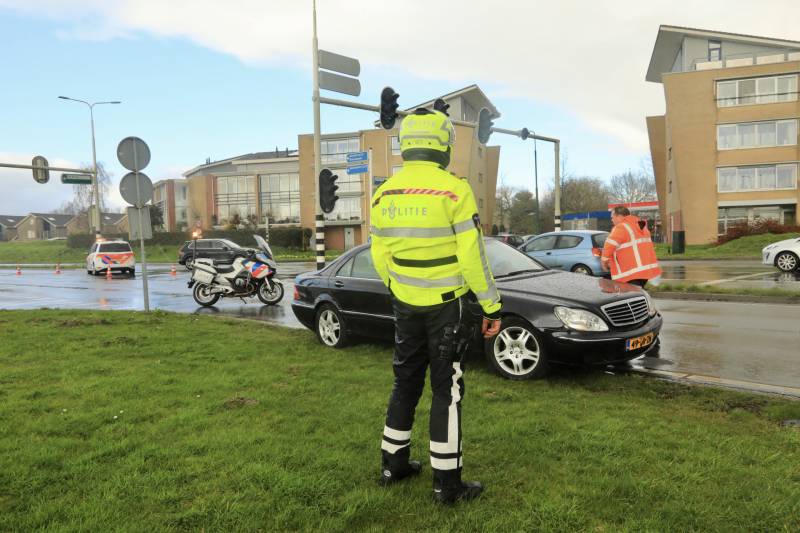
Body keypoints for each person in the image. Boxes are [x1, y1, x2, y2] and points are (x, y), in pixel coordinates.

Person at [370, 107, 502, 505]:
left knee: (405, 381)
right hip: (448, 307)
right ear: (444, 145)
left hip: (405, 304)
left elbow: (379, 254)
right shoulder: (454, 190)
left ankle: (393, 465)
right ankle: (447, 485)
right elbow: (473, 258)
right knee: (447, 390)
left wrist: (397, 287)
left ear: (406, 144)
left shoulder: (384, 193)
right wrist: (492, 306)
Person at [601, 206, 662, 287]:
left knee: (629, 294)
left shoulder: (621, 227)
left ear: (619, 216)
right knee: (637, 292)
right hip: (644, 272)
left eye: (612, 217)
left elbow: (609, 245)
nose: (611, 220)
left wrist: (604, 261)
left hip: (630, 274)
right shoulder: (641, 227)